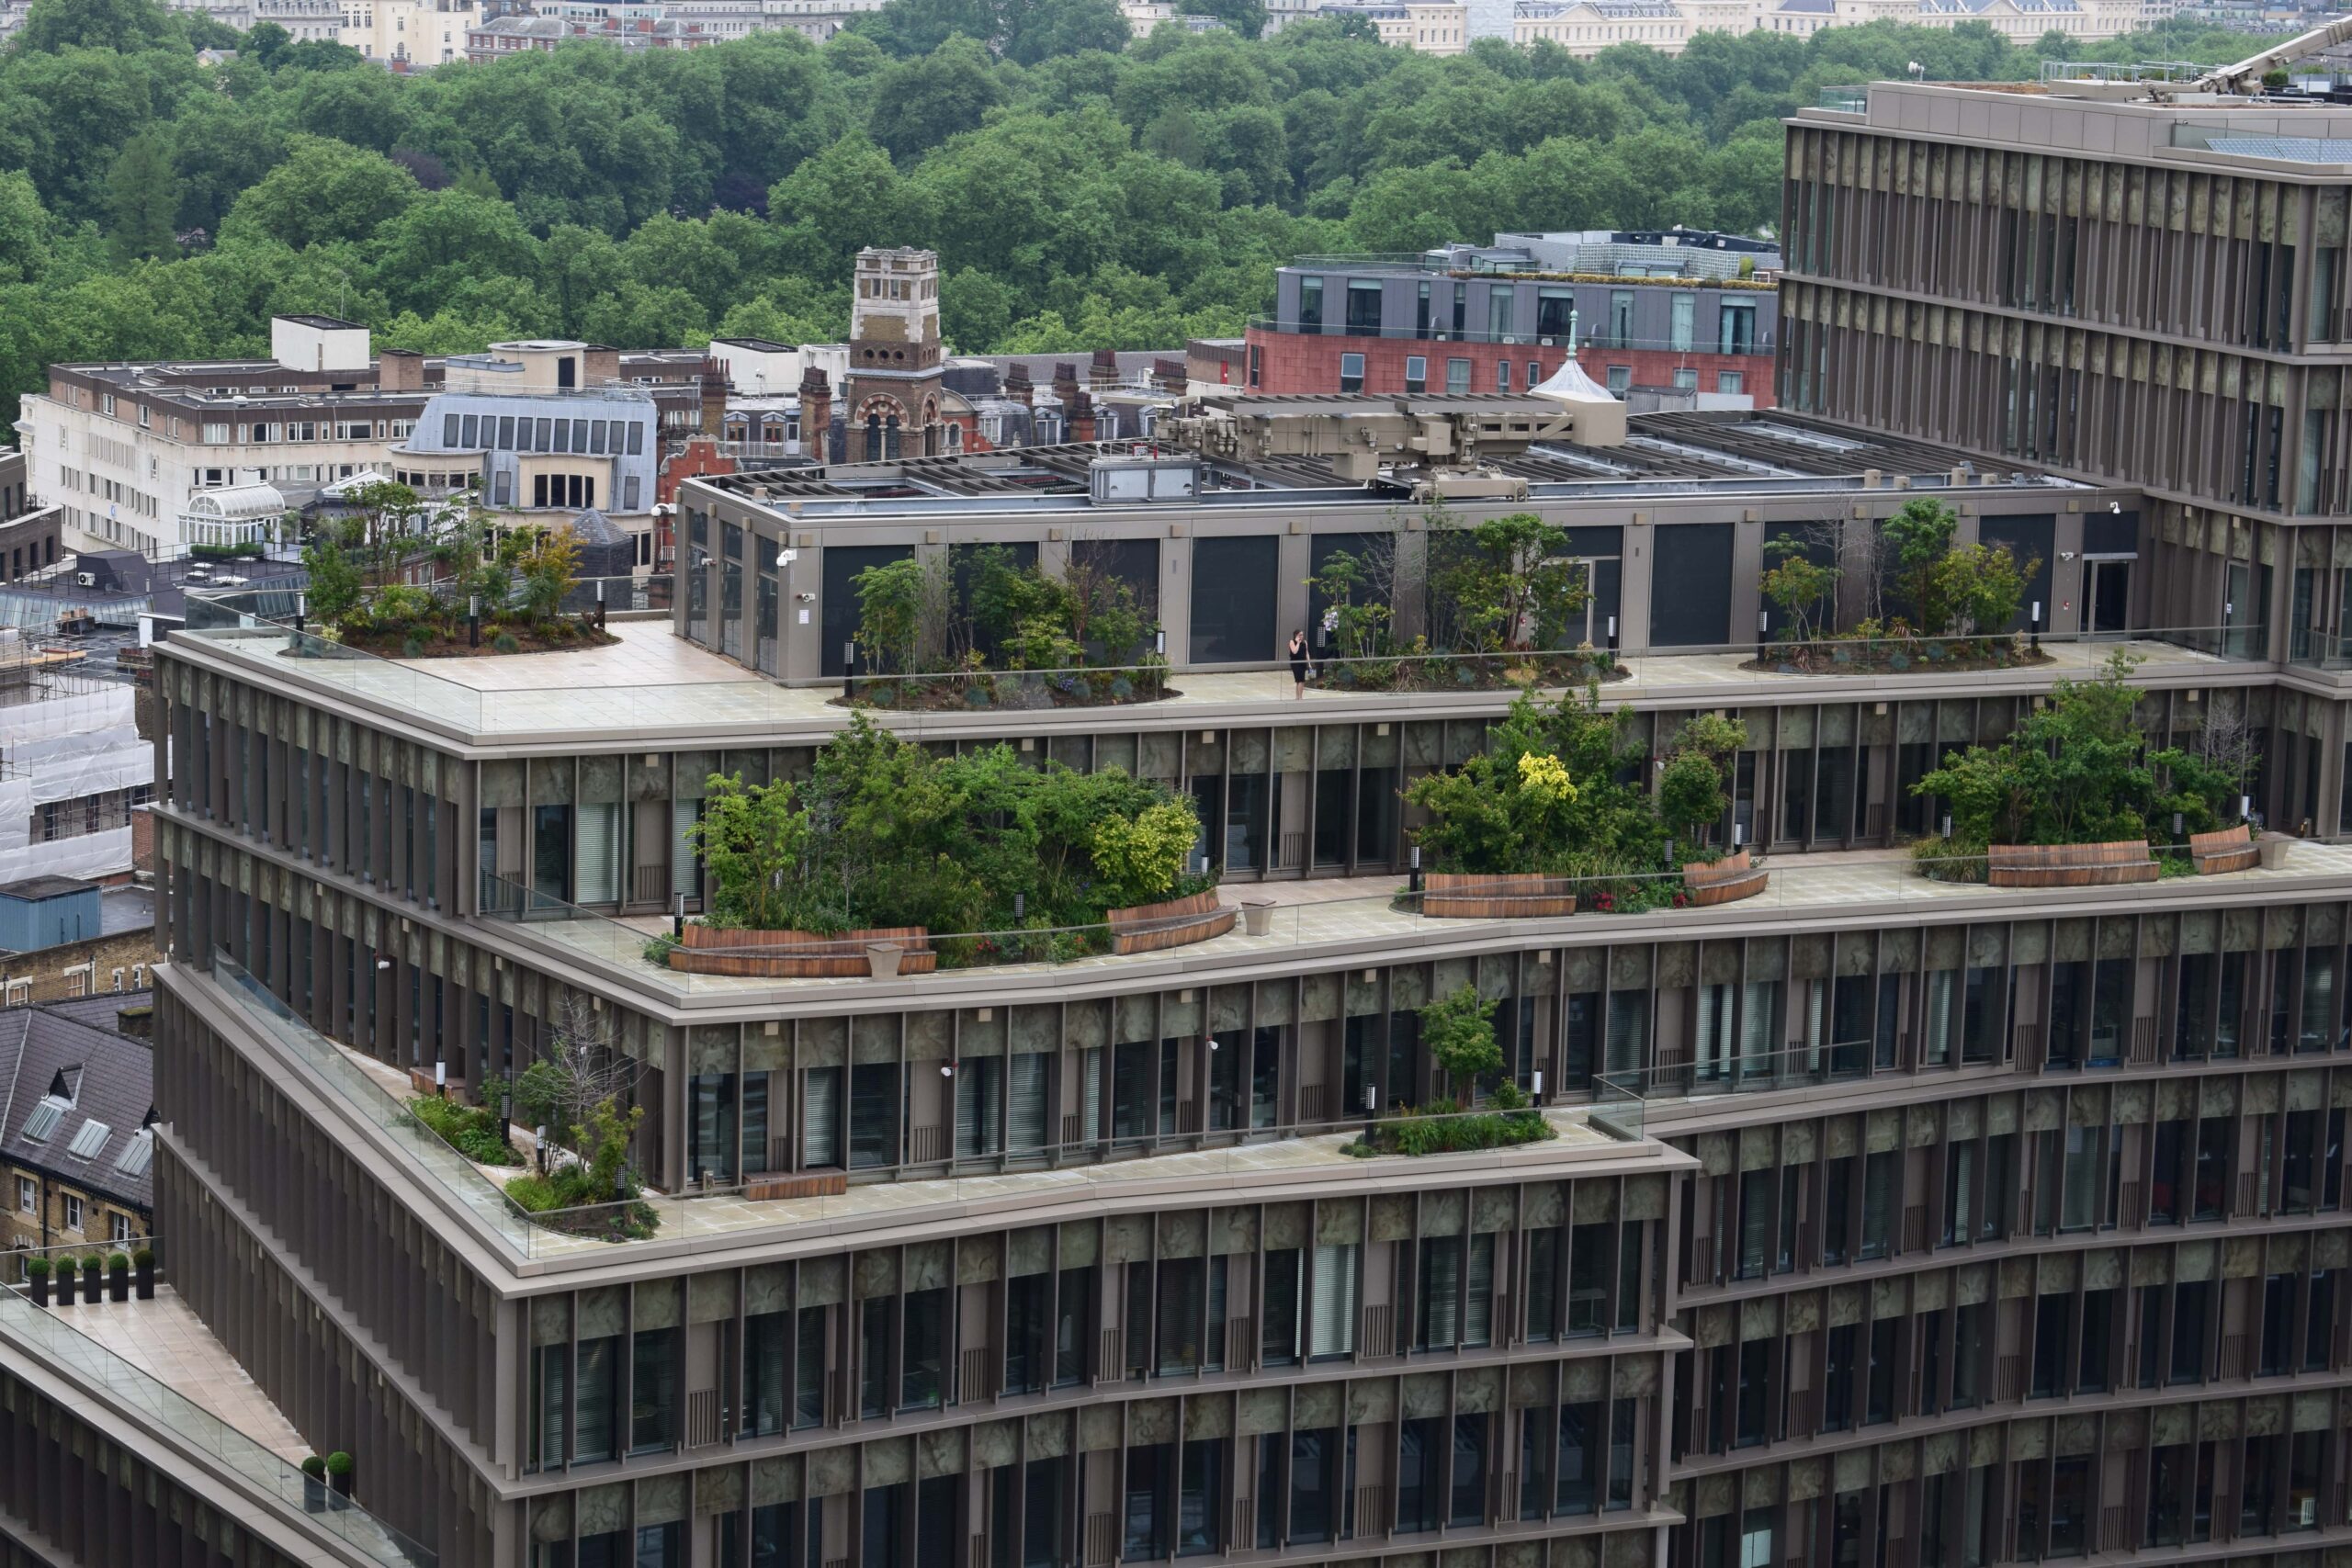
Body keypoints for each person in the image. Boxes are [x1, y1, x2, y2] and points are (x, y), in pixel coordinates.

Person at [1287, 629, 1309, 698]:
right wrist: (1298, 643)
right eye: (1300, 635)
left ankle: (1298, 697)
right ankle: (1300, 697)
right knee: (1300, 680)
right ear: (1296, 635)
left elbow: (1307, 653)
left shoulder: (1305, 642)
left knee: (1300, 681)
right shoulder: (1292, 642)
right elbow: (1294, 651)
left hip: (1303, 662)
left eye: (1302, 635)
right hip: (1296, 663)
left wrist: (1309, 663)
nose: (1301, 636)